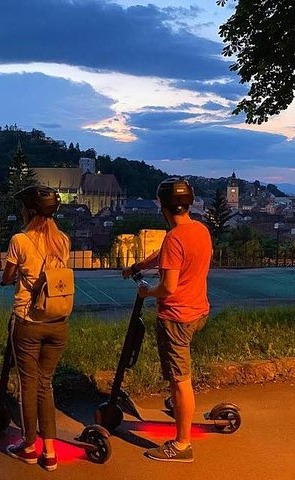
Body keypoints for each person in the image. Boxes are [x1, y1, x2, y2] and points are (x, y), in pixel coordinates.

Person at [122, 177, 211, 463]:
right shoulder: (199, 229)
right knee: (180, 378)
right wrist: (138, 266)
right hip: (199, 311)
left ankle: (182, 445)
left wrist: (148, 291)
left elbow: (168, 287)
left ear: (162, 205)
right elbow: (166, 256)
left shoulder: (174, 238)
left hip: (177, 317)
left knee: (179, 379)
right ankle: (178, 405)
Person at [0, 185, 71, 472]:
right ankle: (51, 451)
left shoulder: (20, 239)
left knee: (28, 385)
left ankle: (29, 447)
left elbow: (7, 276)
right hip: (58, 322)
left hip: (28, 322)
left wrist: (15, 276)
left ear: (29, 210)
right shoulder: (63, 240)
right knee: (46, 383)